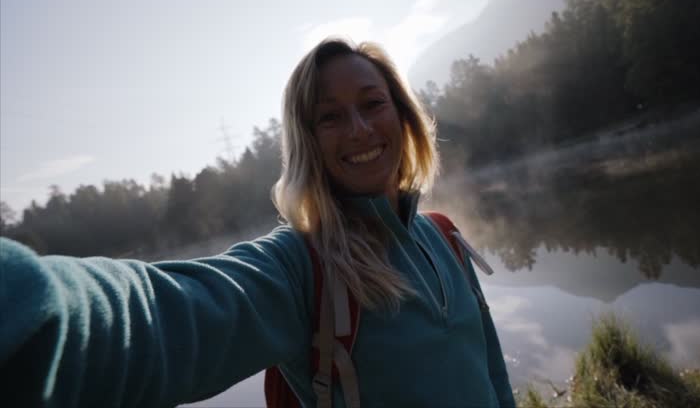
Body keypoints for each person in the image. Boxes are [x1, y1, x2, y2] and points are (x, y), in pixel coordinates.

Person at [0, 37, 516, 408]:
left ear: (403, 116)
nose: (359, 129)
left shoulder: (444, 237)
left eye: (373, 104)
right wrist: (29, 303)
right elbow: (161, 316)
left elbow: (492, 370)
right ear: (308, 141)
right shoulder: (300, 267)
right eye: (330, 117)